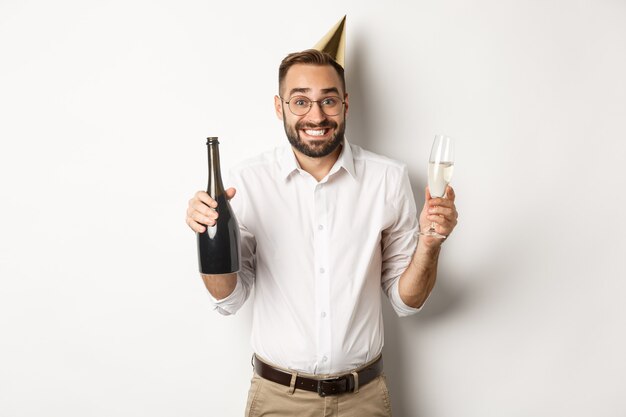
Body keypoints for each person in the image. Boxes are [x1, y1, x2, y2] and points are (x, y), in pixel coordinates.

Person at [185, 48, 458, 416]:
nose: (316, 115)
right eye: (300, 101)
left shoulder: (388, 179)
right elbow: (230, 300)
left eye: (328, 100)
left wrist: (429, 245)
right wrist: (208, 237)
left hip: (363, 399)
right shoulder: (248, 182)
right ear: (280, 107)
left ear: (345, 104)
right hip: (277, 399)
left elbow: (405, 302)